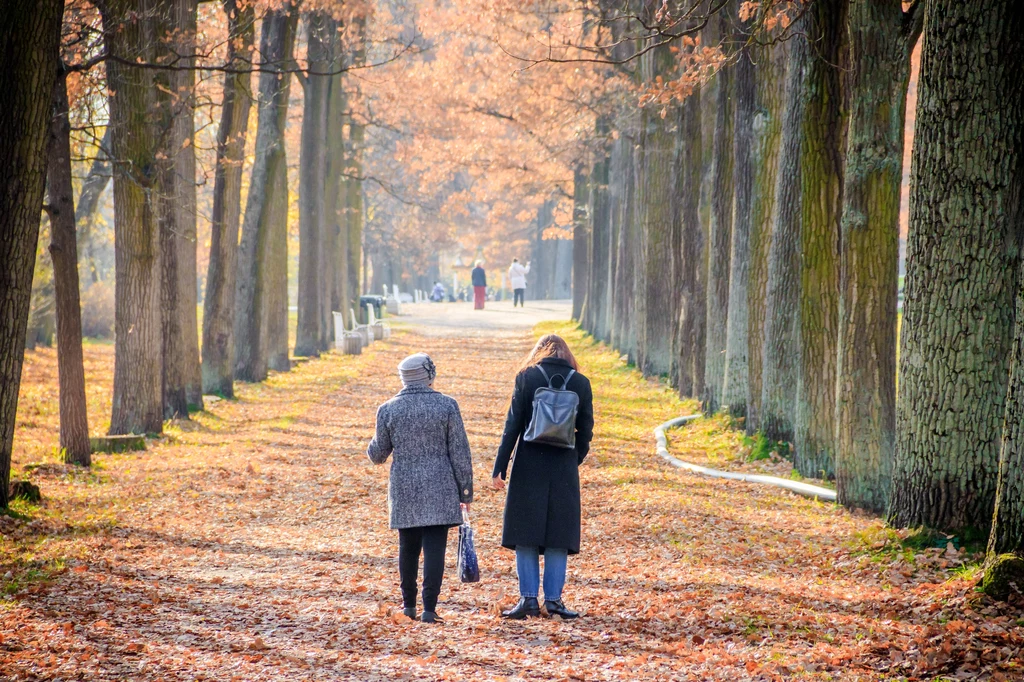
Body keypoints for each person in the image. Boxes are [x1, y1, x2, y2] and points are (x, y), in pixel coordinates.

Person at [492, 335, 594, 620]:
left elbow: (512, 425)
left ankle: (527, 600)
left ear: (539, 353)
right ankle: (554, 601)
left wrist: (500, 466)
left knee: (525, 533)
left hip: (528, 464)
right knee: (558, 536)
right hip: (563, 467)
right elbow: (586, 430)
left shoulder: (527, 377)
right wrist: (574, 459)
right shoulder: (580, 383)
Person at [367, 353, 474, 624]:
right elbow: (460, 452)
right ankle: (429, 608)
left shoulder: (388, 409)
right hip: (440, 485)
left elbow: (378, 454)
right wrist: (465, 492)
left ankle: (408, 605)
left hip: (404, 486)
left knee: (408, 546)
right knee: (435, 547)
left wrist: (373, 438)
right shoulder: (447, 406)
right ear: (428, 376)